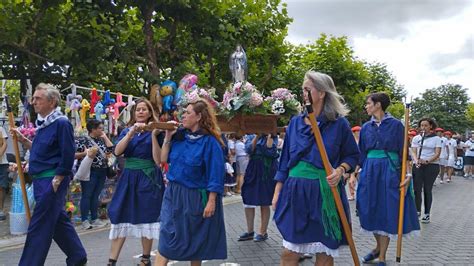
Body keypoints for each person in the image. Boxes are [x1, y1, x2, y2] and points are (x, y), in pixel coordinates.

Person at [272, 71, 359, 266]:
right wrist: (277, 191)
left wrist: (340, 170)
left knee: (325, 255)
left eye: (307, 89)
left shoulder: (339, 124)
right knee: (289, 254)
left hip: (325, 193)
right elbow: (285, 159)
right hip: (296, 192)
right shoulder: (294, 123)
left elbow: (352, 155)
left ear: (321, 93)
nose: (303, 93)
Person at [13, 83, 87, 265]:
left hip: (52, 180)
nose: (33, 102)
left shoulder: (61, 123)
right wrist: (23, 140)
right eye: (34, 98)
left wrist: (58, 178)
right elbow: (41, 151)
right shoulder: (44, 125)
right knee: (57, 222)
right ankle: (77, 256)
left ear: (52, 102)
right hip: (41, 181)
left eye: (38, 98)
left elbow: (67, 153)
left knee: (39, 225)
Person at [156, 99, 226, 266]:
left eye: (187, 113)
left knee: (196, 240)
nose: (183, 116)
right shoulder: (180, 137)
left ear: (199, 117)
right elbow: (163, 159)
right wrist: (167, 137)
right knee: (166, 237)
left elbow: (216, 175)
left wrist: (211, 201)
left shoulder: (211, 142)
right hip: (173, 194)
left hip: (195, 197)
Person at [356, 92, 420, 265]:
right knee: (370, 210)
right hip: (369, 171)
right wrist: (355, 173)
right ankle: (377, 248)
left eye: (368, 103)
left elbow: (404, 152)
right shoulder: (366, 127)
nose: (366, 106)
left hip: (390, 171)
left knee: (387, 210)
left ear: (378, 104)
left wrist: (407, 175)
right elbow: (361, 153)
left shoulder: (396, 125)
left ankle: (382, 256)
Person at [107, 98, 164, 266]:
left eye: (144, 109)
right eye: (138, 109)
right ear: (134, 113)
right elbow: (117, 152)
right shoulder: (126, 131)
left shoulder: (156, 131)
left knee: (147, 216)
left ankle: (145, 259)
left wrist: (153, 136)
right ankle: (111, 261)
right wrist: (131, 133)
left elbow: (158, 159)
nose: (140, 112)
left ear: (149, 113)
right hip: (128, 177)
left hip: (148, 177)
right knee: (120, 214)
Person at [238, 134, 278, 242]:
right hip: (253, 169)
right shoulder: (251, 135)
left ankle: (263, 232)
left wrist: (269, 136)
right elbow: (249, 150)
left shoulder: (272, 135)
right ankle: (250, 231)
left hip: (266, 169)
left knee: (264, 201)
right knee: (247, 199)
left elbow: (270, 152)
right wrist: (257, 136)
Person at [75, 119, 113, 229]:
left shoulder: (101, 140)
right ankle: (84, 220)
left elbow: (111, 149)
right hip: (89, 171)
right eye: (100, 128)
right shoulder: (83, 140)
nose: (102, 130)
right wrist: (85, 153)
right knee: (87, 195)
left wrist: (105, 137)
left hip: (102, 171)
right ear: (93, 129)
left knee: (96, 195)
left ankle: (95, 218)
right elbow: (73, 154)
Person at [411, 117, 442, 223]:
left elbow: (437, 153)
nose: (423, 127)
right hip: (418, 165)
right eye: (422, 125)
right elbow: (414, 151)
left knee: (427, 189)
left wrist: (427, 161)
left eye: (426, 125)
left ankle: (427, 213)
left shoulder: (436, 139)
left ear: (431, 126)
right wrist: (416, 161)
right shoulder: (416, 138)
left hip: (431, 166)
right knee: (417, 189)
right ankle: (417, 210)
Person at [0, 127, 8, 221]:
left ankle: (1, 209)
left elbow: (4, 144)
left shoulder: (0, 128)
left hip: (2, 162)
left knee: (1, 187)